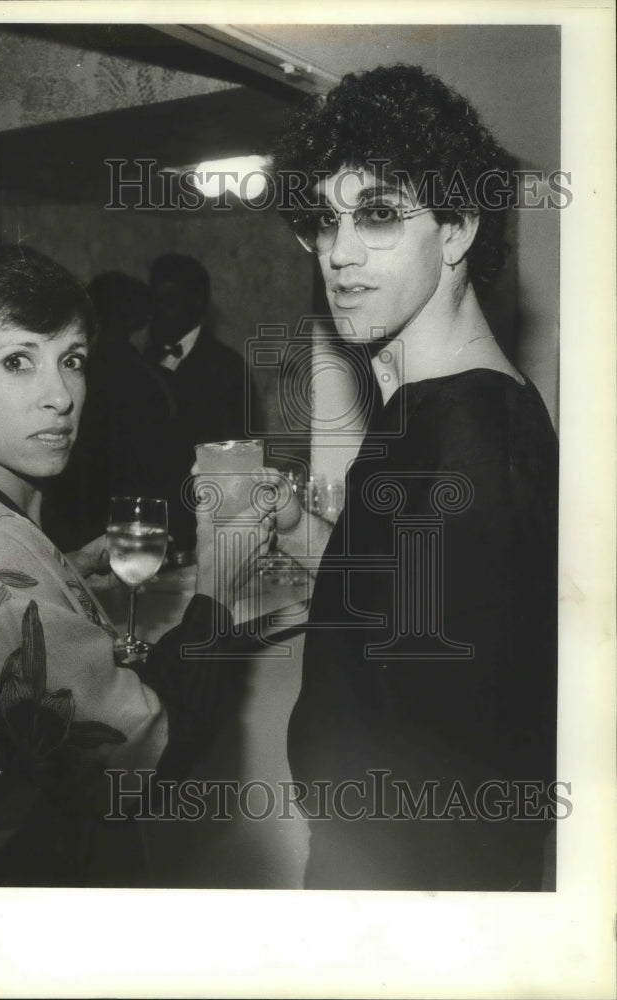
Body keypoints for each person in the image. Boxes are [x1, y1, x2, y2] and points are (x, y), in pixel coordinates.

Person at [0, 244, 273, 886]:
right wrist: (221, 586)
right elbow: (146, 764)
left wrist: (63, 569)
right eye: (17, 362)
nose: (59, 395)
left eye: (72, 360)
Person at [264, 64, 558, 890]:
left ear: (459, 227)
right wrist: (300, 531)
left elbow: (452, 782)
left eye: (380, 216)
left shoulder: (469, 435)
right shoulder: (439, 411)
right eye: (324, 221)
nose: (339, 253)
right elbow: (400, 611)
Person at [42, 271, 181, 550]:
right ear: (142, 324)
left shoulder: (68, 373)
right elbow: (164, 468)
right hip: (134, 532)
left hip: (67, 533)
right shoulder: (148, 380)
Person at [147, 253, 254, 554]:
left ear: (197, 304)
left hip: (201, 525)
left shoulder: (227, 367)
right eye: (152, 300)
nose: (155, 311)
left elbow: (235, 460)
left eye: (167, 300)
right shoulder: (143, 361)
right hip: (155, 525)